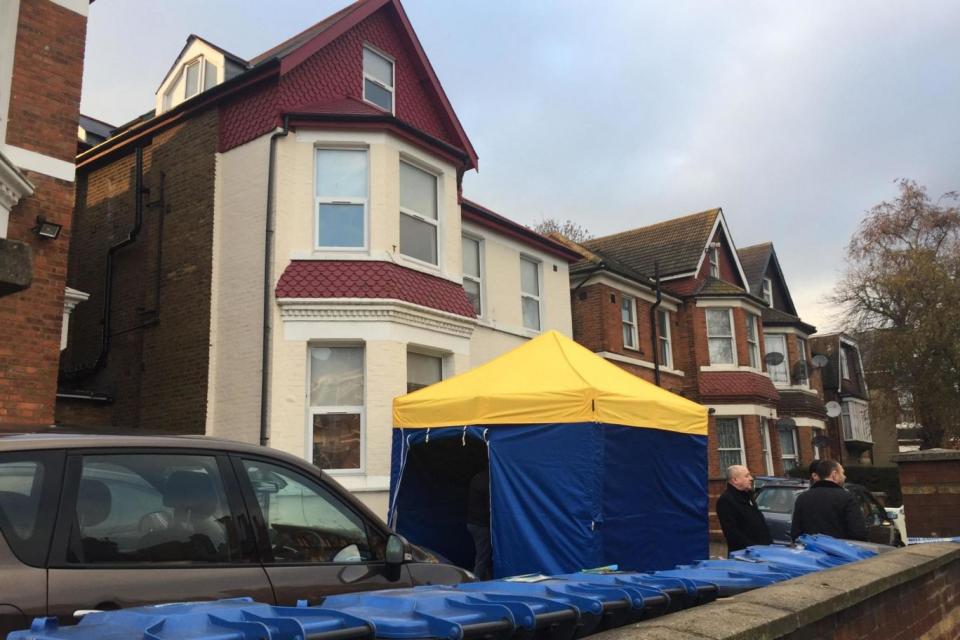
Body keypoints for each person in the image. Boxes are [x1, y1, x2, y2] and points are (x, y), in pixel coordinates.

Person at [791, 459, 867, 541]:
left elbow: (795, 532)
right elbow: (858, 532)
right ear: (834, 474)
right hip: (840, 551)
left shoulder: (802, 498)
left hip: (811, 551)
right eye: (842, 473)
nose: (845, 476)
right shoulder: (847, 498)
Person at [716, 465, 772, 554]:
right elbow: (732, 532)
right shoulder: (725, 501)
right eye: (746, 476)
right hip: (746, 555)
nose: (751, 478)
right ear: (735, 480)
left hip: (762, 551)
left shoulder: (748, 496)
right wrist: (753, 549)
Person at [466, 467, 492, 579]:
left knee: (482, 553)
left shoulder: (477, 478)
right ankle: (476, 581)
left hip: (472, 522)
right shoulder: (487, 480)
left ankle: (484, 577)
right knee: (482, 556)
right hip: (481, 524)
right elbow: (488, 507)